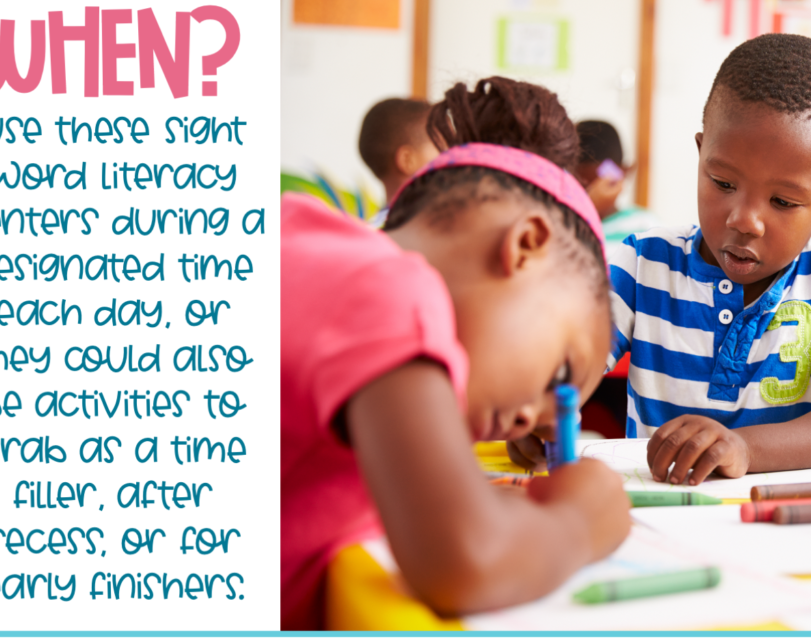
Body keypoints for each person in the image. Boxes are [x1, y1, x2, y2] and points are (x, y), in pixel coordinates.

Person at [282, 77, 630, 629]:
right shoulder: (393, 293)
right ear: (525, 246)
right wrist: (581, 523)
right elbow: (467, 562)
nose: (527, 422)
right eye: (558, 376)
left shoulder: (308, 242)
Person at [509, 34, 811, 485]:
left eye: (782, 201)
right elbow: (568, 363)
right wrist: (539, 407)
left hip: (787, 520)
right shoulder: (643, 262)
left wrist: (744, 448)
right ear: (701, 155)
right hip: (661, 514)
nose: (744, 220)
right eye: (723, 182)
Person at [574, 120, 660, 262]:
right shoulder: (559, 224)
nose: (588, 193)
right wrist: (588, 209)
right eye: (579, 184)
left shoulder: (646, 226)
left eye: (593, 184)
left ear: (624, 172)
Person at [358, 98, 440, 226]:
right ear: (407, 160)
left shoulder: (371, 230)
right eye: (442, 148)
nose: (453, 156)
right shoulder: (429, 229)